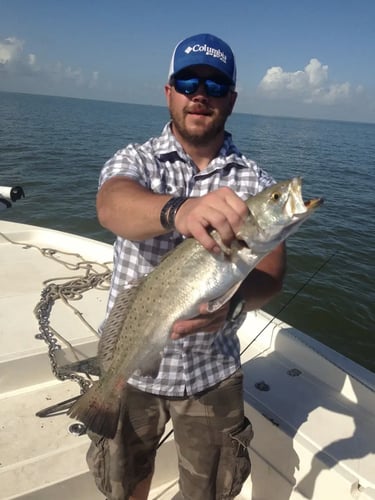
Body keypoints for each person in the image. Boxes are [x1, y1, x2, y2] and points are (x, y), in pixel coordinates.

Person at [90, 33, 286, 500]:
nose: (200, 94)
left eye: (215, 85)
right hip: (132, 367)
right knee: (125, 484)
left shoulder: (255, 182)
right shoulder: (136, 160)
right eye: (188, 81)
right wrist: (177, 211)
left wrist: (235, 301)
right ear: (169, 92)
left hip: (211, 372)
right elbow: (111, 205)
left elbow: (272, 275)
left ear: (231, 99)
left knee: (209, 491)